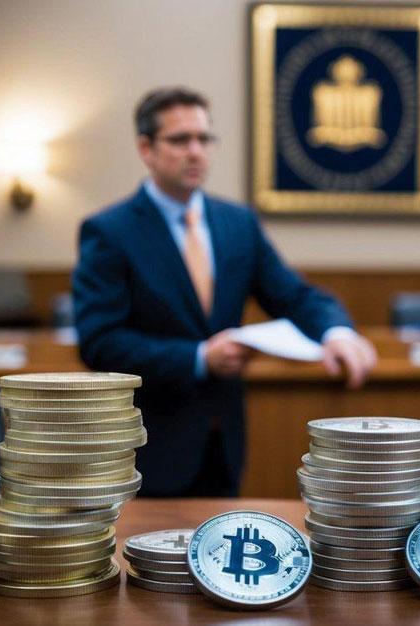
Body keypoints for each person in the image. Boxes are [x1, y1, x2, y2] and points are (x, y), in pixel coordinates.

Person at [72, 87, 377, 497]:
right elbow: (100, 342)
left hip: (224, 439)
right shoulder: (110, 231)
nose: (195, 151)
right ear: (146, 148)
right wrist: (198, 358)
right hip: (149, 446)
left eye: (204, 139)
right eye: (180, 140)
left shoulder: (237, 223)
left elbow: (293, 297)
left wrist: (337, 332)